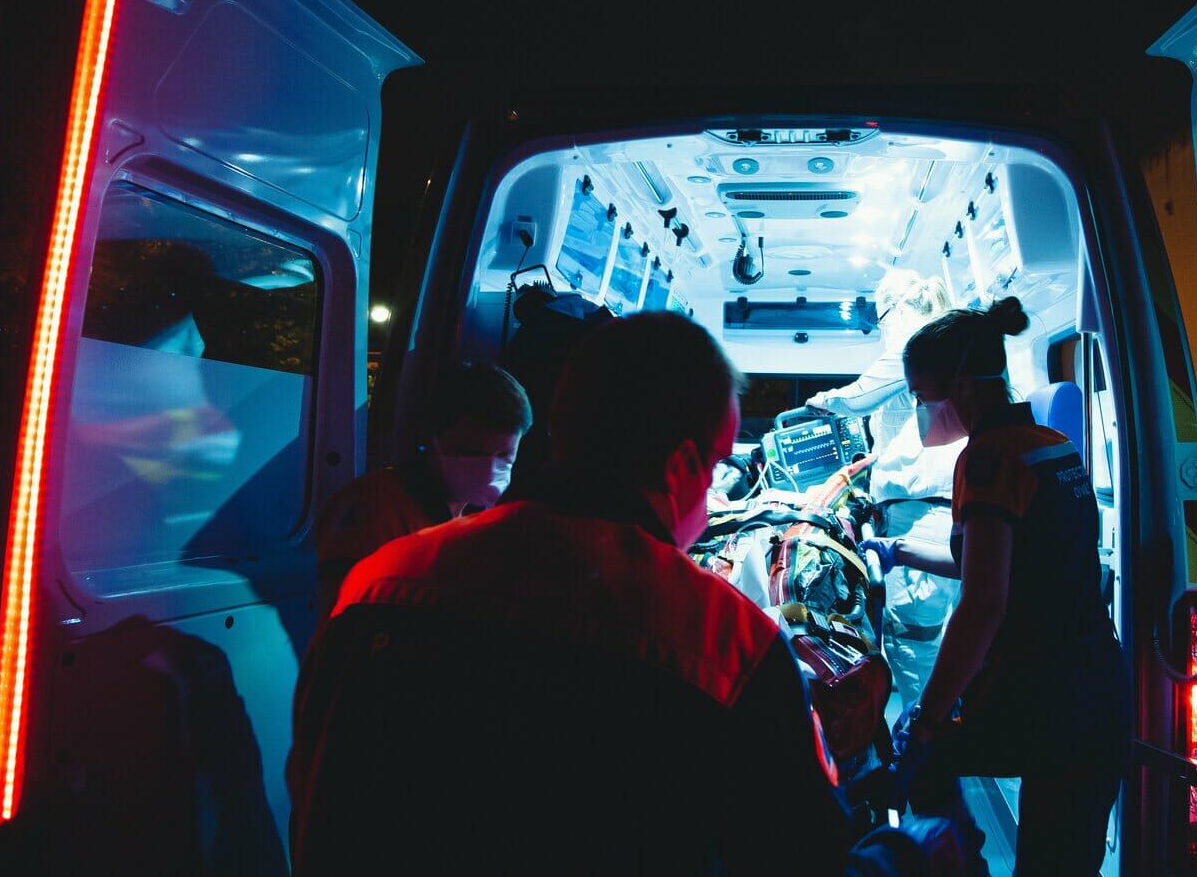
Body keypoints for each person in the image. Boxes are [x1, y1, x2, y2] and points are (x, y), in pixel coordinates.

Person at [287, 313, 856, 874]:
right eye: (713, 466)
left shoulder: (381, 579)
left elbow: (315, 794)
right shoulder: (729, 641)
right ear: (682, 464)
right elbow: (803, 853)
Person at [884, 297, 1129, 876]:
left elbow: (984, 603)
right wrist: (899, 552)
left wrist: (928, 718)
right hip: (1098, 689)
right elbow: (1007, 564)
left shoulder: (986, 460)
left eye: (922, 398)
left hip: (1049, 702)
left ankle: (957, 861)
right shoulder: (1053, 446)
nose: (922, 411)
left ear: (961, 386)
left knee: (921, 751)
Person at [806, 268, 962, 710]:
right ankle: (939, 742)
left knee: (914, 646)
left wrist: (820, 401)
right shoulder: (941, 344)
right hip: (937, 510)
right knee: (936, 643)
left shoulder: (913, 344)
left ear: (892, 310)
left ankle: (926, 750)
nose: (880, 327)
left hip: (920, 516)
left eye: (879, 316)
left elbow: (857, 397)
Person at [312, 361, 531, 619]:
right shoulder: (375, 510)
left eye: (505, 455)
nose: (490, 469)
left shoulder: (472, 518)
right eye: (473, 454)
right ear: (434, 441)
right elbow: (346, 627)